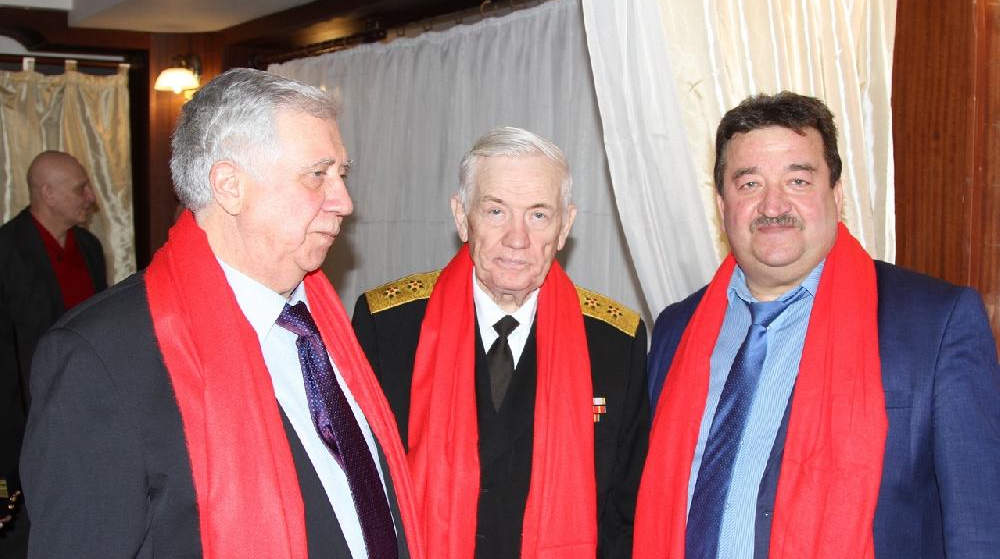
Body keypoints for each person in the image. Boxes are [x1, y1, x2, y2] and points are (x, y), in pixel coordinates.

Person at [21, 69, 424, 559]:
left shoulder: (322, 327)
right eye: (318, 175)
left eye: (342, 174)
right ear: (230, 185)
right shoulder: (100, 357)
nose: (344, 202)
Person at [635, 92, 1000, 559]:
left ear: (836, 194)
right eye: (749, 184)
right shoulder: (676, 330)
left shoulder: (934, 324)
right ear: (722, 204)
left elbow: (980, 527)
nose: (773, 205)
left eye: (798, 180)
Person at [352, 126, 649, 559]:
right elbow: (358, 491)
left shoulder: (614, 342)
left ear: (565, 226)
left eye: (538, 215)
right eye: (496, 211)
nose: (517, 238)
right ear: (462, 217)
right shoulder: (388, 326)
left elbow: (626, 513)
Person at [0, 150, 105, 557]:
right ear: (48, 194)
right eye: (80, 188)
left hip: (84, 423)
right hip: (23, 433)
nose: (91, 197)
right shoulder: (6, 253)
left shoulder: (90, 248)